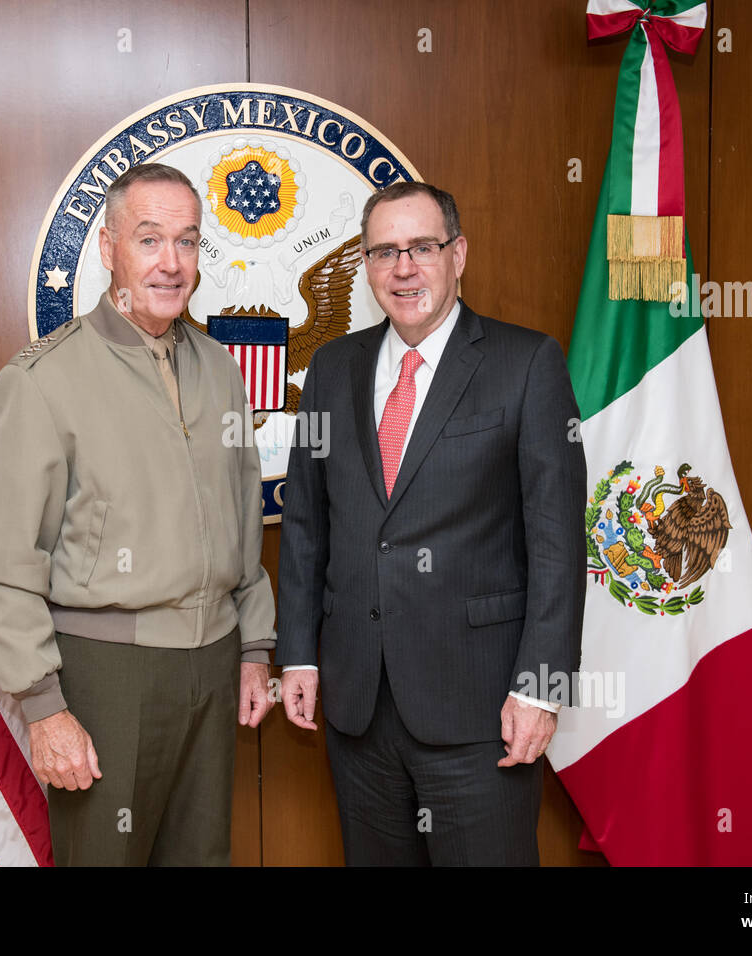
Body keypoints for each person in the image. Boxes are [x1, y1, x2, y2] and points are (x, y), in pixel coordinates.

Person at [0, 163, 276, 866]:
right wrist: (45, 708)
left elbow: (241, 519)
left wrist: (255, 648)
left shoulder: (221, 369)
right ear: (108, 247)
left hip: (214, 663)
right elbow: (9, 567)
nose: (171, 263)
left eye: (189, 241)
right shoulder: (40, 382)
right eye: (149, 240)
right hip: (106, 675)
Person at [276, 181, 586, 865]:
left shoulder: (526, 363)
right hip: (359, 709)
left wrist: (542, 686)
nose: (404, 267)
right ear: (366, 266)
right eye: (384, 252)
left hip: (481, 709)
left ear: (458, 254)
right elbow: (305, 522)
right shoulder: (332, 368)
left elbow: (558, 541)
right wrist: (297, 649)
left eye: (422, 246)